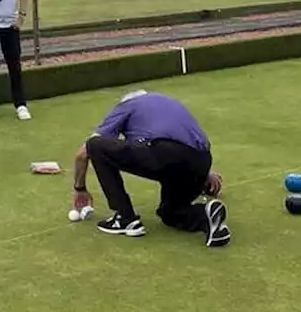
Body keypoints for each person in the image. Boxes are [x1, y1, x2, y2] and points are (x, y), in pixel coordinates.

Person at [69, 90, 230, 248]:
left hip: (167, 155)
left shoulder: (127, 106)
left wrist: (80, 187)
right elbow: (185, 140)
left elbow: (82, 154)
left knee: (95, 146)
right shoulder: (167, 102)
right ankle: (207, 216)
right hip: (202, 159)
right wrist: (205, 173)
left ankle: (125, 219)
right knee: (171, 213)